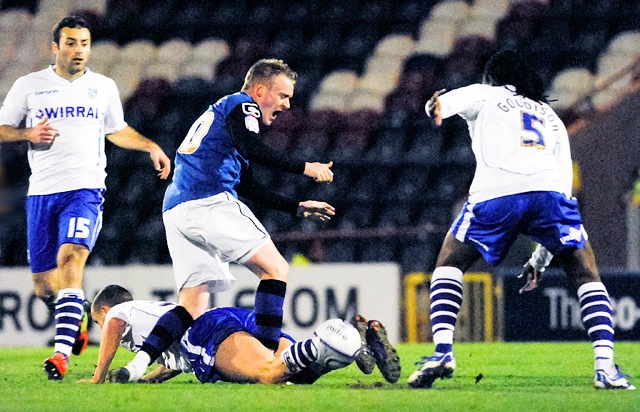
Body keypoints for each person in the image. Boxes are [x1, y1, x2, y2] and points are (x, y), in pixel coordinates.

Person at [407, 50, 635, 390]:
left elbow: (441, 105)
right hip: (549, 195)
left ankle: (442, 352)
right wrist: (542, 258)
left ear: (491, 78)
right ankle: (605, 368)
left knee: (450, 261)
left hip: (497, 193)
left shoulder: (484, 93)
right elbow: (562, 187)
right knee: (584, 269)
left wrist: (434, 107)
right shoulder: (549, 115)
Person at [113, 59, 335, 383]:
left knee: (191, 306)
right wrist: (305, 167)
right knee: (276, 270)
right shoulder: (243, 106)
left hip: (176, 208)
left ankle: (138, 366)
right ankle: (271, 361)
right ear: (260, 90)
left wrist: (295, 206)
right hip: (209, 200)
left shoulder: (222, 117)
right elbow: (252, 149)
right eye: (283, 95)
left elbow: (247, 182)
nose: (287, 104)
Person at [0, 16, 171, 380]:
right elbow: (2, 129)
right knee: (46, 287)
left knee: (71, 260)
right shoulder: (30, 86)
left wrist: (150, 146)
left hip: (85, 190)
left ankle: (60, 356)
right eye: (72, 43)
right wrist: (28, 132)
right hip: (42, 193)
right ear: (55, 47)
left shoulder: (103, 87)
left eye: (85, 43)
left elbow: (117, 130)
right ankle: (74, 319)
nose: (79, 50)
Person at [81, 284, 361, 385]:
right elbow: (176, 359)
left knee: (268, 373)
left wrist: (98, 377)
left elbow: (113, 323)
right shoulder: (148, 315)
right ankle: (352, 342)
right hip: (224, 320)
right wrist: (150, 379)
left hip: (206, 332)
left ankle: (319, 345)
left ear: (105, 308)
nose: (101, 327)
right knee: (297, 374)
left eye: (97, 320)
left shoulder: (121, 312)